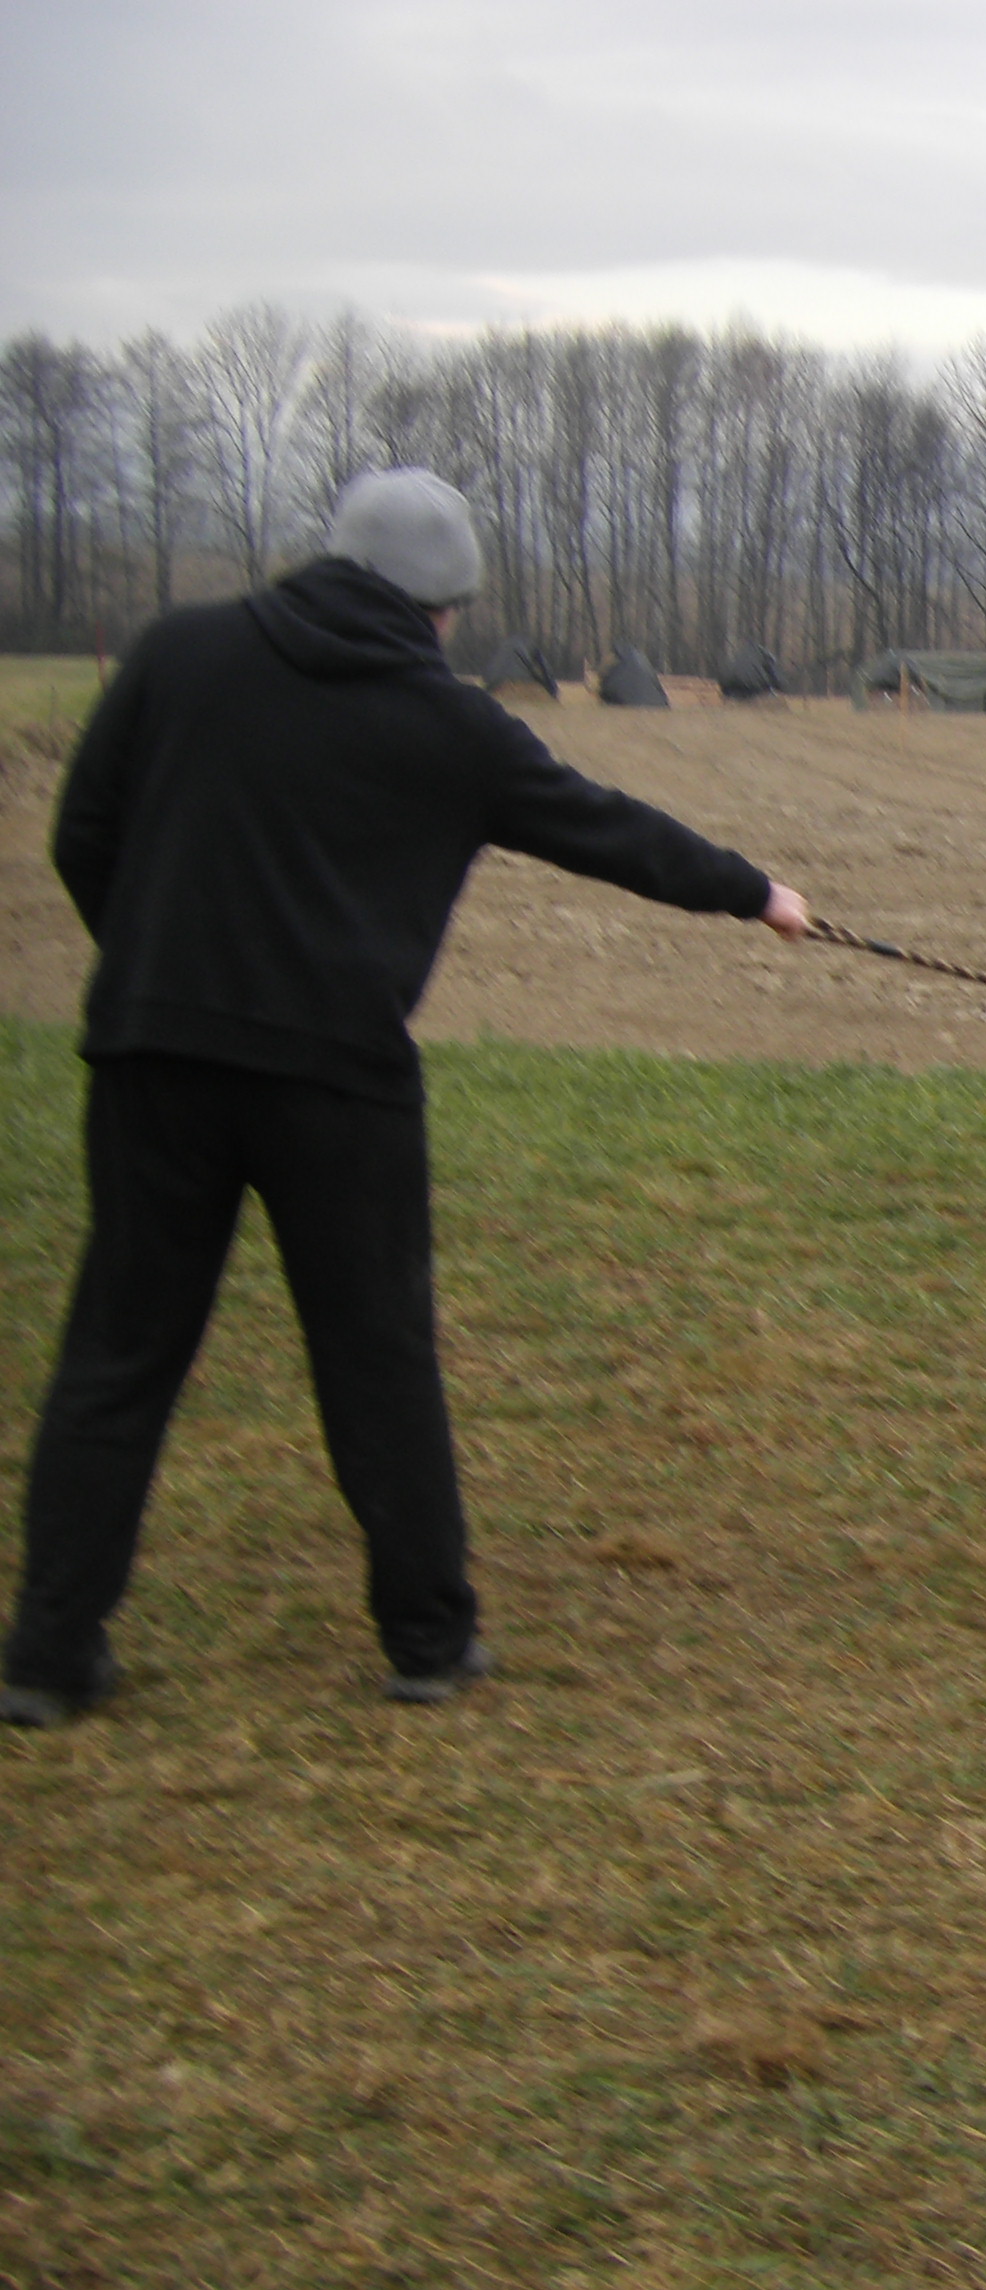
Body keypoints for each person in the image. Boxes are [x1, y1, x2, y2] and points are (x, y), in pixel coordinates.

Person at [3, 469, 811, 1728]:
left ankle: (49, 1658)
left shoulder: (178, 651)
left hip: (151, 1058)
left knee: (117, 1353)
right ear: (441, 607)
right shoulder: (449, 723)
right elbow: (602, 827)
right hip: (338, 1082)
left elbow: (82, 832)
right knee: (377, 1357)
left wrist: (158, 975)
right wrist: (755, 892)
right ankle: (430, 1642)